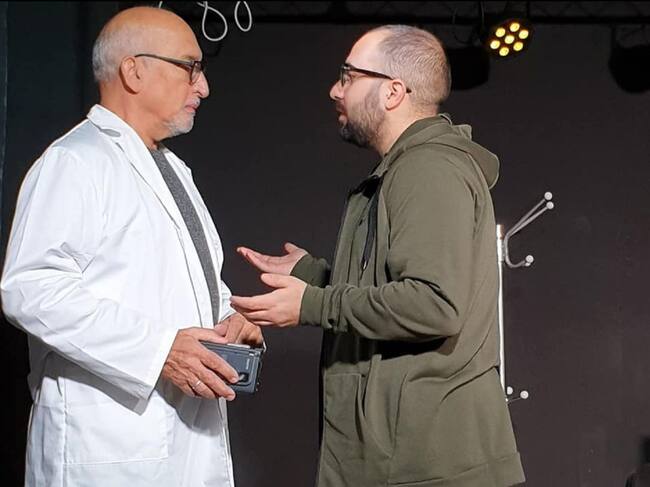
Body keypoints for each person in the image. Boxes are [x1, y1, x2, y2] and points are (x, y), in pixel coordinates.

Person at [232, 25, 525, 487]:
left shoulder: (428, 169)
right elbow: (399, 287)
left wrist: (312, 303)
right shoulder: (407, 169)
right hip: (407, 461)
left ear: (393, 91)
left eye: (349, 76)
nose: (335, 90)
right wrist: (314, 277)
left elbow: (435, 304)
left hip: (425, 468)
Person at [1, 6, 261, 487]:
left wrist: (228, 319)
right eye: (190, 67)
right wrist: (159, 350)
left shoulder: (172, 170)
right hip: (110, 446)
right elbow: (31, 289)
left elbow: (171, 283)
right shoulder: (75, 162)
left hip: (182, 442)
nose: (203, 87)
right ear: (133, 71)